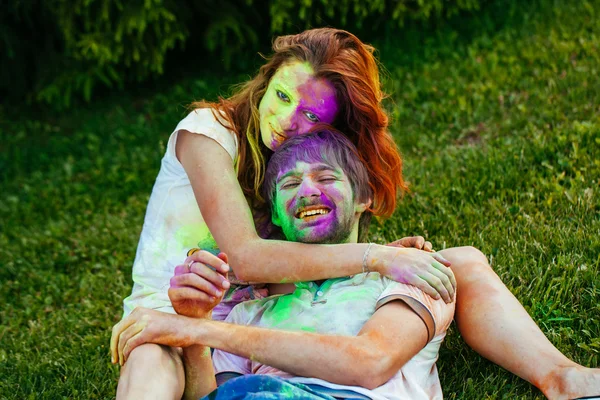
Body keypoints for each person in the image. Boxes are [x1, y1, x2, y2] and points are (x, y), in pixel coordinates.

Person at [111, 28, 600, 399]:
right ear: (266, 81)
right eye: (282, 97)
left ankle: (562, 377)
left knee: (462, 262)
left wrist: (383, 260)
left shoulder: (290, 156)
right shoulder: (209, 133)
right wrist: (377, 257)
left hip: (256, 294)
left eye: (310, 116)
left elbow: (312, 258)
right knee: (151, 352)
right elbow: (248, 257)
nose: (286, 123)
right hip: (175, 304)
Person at [112, 129, 457, 400]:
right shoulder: (249, 314)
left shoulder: (410, 273)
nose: (307, 190)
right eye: (290, 184)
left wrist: (197, 330)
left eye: (325, 178)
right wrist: (195, 326)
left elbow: (368, 362)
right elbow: (210, 396)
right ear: (277, 213)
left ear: (363, 198)